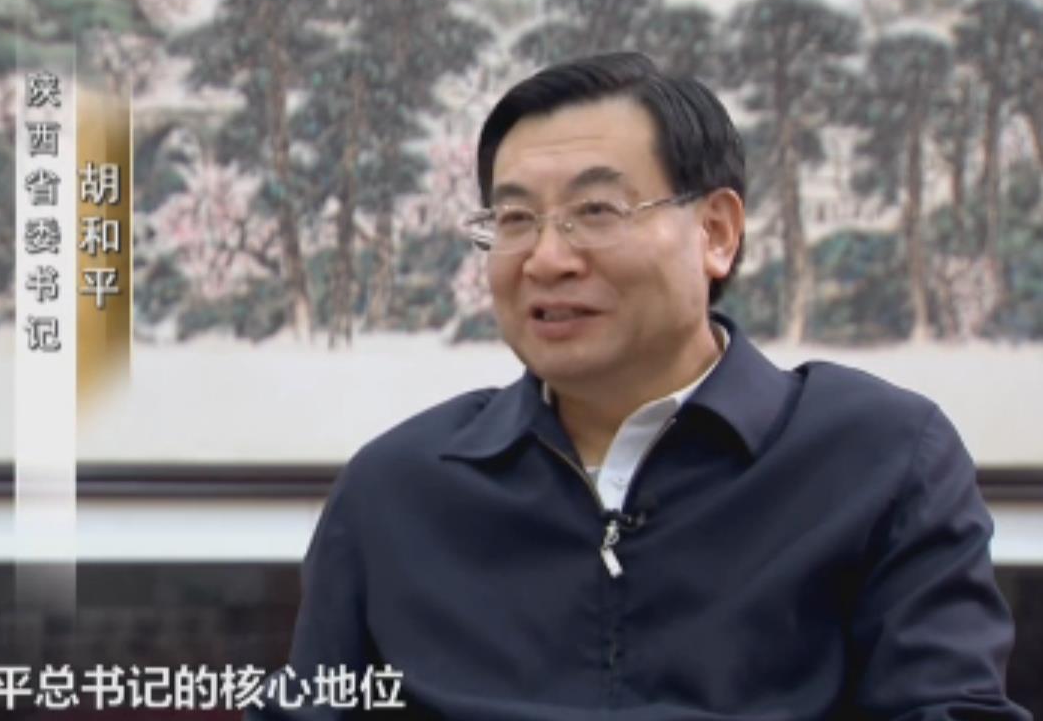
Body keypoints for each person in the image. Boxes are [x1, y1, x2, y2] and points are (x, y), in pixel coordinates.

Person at [248, 52, 1030, 720]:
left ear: (716, 233)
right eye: (515, 220)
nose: (547, 258)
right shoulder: (398, 488)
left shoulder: (880, 458)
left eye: (596, 210)